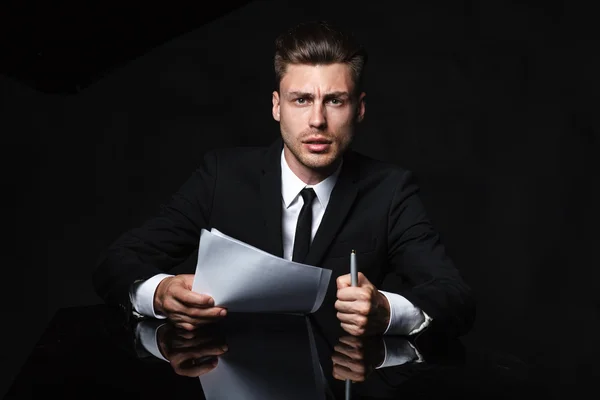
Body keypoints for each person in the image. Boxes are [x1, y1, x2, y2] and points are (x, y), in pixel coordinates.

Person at [93, 20, 475, 339]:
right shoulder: (221, 176)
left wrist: (387, 310)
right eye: (301, 99)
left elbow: (454, 297)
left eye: (335, 101)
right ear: (277, 106)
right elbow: (117, 262)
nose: (317, 121)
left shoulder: (391, 191)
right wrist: (159, 293)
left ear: (359, 110)